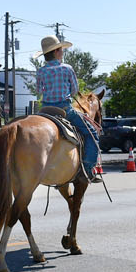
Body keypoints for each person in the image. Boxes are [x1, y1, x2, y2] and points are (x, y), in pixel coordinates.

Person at [35, 35, 101, 182]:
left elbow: (38, 90)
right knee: (92, 134)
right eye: (61, 50)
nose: (63, 52)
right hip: (64, 109)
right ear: (57, 51)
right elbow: (74, 90)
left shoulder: (41, 71)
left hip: (45, 110)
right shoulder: (67, 69)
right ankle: (88, 171)